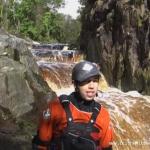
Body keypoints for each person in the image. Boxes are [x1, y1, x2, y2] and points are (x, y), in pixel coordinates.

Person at [32, 61, 113, 150]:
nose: (92, 86)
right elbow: (41, 143)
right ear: (75, 84)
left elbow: (106, 147)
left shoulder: (103, 114)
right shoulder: (57, 107)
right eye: (86, 81)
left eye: (95, 81)